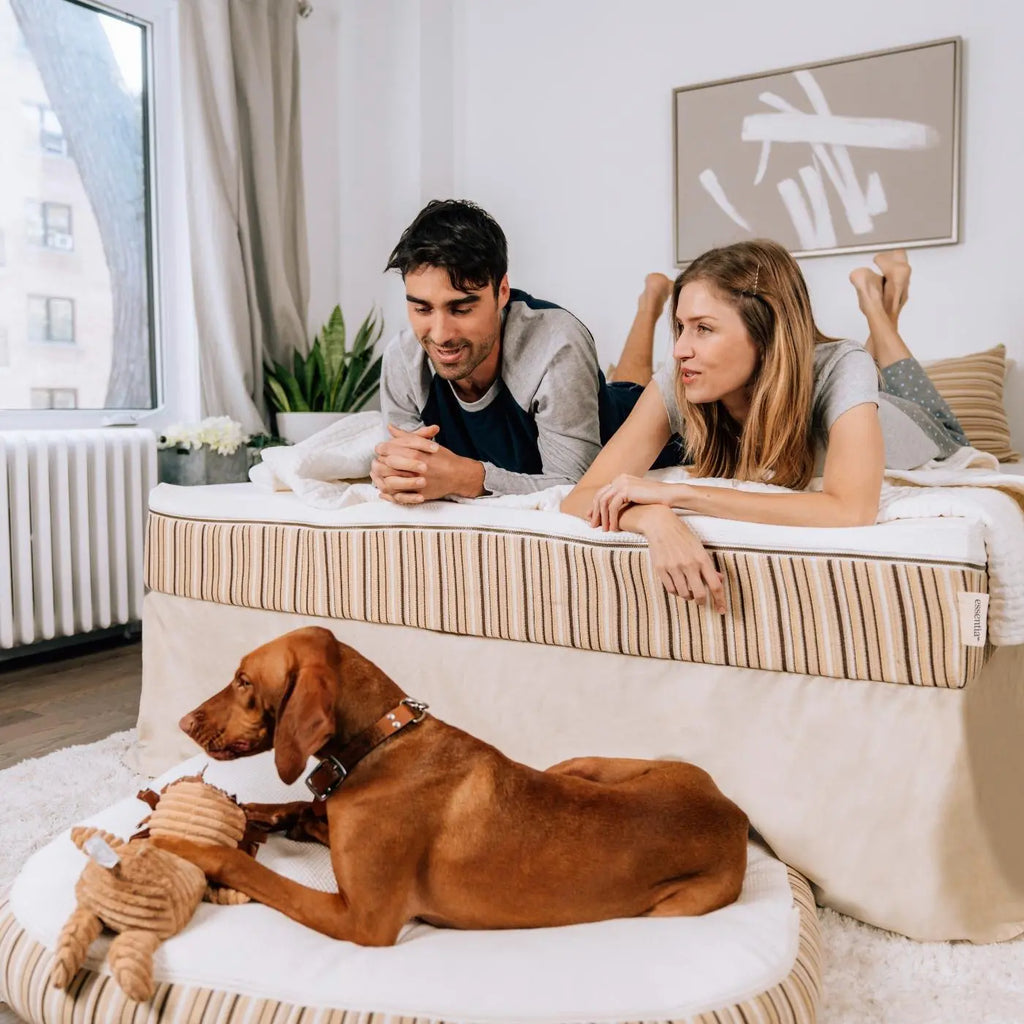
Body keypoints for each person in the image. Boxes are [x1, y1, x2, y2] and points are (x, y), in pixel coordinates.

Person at [560, 241, 968, 611]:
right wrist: (653, 518)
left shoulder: (843, 365)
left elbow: (851, 510)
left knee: (942, 422)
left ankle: (878, 308)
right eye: (682, 327)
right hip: (848, 392)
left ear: (766, 331)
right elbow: (581, 497)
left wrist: (679, 494)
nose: (682, 349)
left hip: (915, 422)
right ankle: (882, 300)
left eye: (704, 328)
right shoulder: (682, 374)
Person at [372, 199, 679, 502]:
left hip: (624, 422)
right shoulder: (403, 358)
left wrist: (468, 477)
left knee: (637, 393)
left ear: (502, 291)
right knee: (619, 383)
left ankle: (650, 303)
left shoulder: (555, 344)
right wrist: (393, 471)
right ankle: (650, 301)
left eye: (462, 309)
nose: (440, 335)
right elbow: (409, 469)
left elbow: (575, 490)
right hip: (596, 396)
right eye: (422, 308)